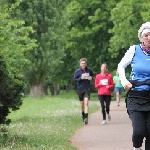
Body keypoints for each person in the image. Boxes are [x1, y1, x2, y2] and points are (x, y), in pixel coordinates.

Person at [117, 22, 150, 150]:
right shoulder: (134, 49)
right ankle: (137, 147)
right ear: (142, 37)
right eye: (146, 35)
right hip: (136, 96)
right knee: (138, 132)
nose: (149, 38)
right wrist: (124, 81)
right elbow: (121, 66)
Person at [74, 58, 94, 124]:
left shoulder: (89, 70)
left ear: (86, 64)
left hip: (87, 88)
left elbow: (92, 75)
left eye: (84, 63)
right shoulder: (77, 71)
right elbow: (75, 79)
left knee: (86, 103)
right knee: (82, 104)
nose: (83, 64)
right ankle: (83, 116)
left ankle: (86, 118)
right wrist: (80, 78)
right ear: (80, 64)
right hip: (80, 88)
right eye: (82, 63)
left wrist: (91, 78)